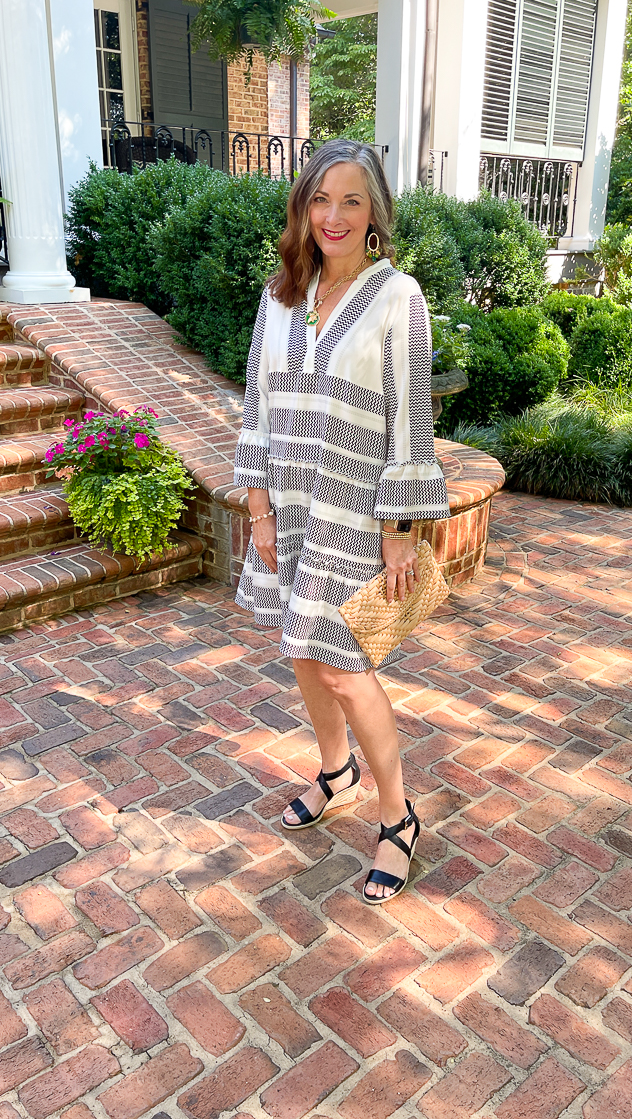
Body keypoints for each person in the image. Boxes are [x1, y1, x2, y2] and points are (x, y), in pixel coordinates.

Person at [233, 139, 450, 904]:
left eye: (351, 200)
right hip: (289, 502)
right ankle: (335, 773)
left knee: (345, 668)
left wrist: (400, 526)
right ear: (303, 207)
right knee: (301, 649)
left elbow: (409, 419)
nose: (333, 215)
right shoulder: (281, 295)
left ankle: (398, 819)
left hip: (355, 510)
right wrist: (258, 505)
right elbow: (256, 403)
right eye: (321, 199)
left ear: (374, 214)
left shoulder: (400, 298)